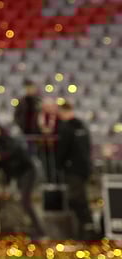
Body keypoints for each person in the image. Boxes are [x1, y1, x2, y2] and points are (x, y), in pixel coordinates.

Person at [0, 118, 43, 239]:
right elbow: (5, 162)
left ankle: (40, 232)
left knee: (25, 202)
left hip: (27, 172)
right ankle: (31, 229)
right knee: (21, 202)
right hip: (20, 174)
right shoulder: (0, 140)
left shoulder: (6, 138)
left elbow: (11, 153)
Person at [55, 102, 94, 239]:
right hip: (85, 167)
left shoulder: (66, 127)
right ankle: (87, 228)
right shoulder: (82, 125)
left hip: (73, 169)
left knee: (76, 199)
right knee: (81, 198)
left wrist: (58, 165)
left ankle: (85, 231)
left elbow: (63, 149)